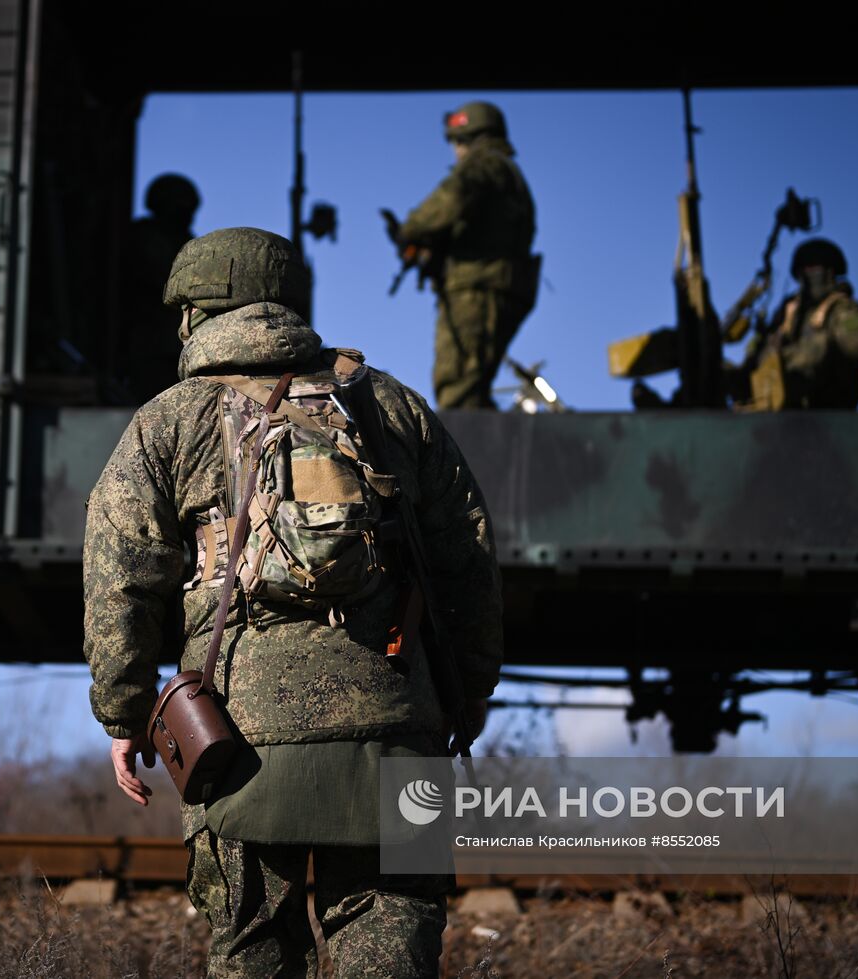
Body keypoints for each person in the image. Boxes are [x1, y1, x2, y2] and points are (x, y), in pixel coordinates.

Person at [82, 227, 503, 978]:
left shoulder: (169, 419)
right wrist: (466, 693)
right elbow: (467, 560)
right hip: (400, 718)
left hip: (236, 731)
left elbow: (122, 575)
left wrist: (124, 711)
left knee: (251, 944)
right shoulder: (389, 404)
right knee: (394, 930)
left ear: (193, 315)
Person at [397, 100, 539, 410]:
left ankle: (468, 456)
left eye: (457, 141)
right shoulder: (504, 172)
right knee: (473, 384)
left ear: (468, 138)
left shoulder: (483, 166)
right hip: (496, 283)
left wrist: (411, 229)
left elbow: (448, 201)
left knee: (457, 385)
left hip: (477, 287)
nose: (455, 151)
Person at [730, 238, 858, 410]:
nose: (807, 274)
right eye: (803, 270)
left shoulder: (842, 310)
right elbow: (754, 358)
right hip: (774, 417)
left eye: (813, 268)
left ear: (830, 272)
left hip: (826, 417)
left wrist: (801, 355)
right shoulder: (787, 315)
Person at [124, 173, 201, 402]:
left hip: (178, 343)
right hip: (150, 344)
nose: (188, 216)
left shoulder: (187, 242)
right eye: (181, 208)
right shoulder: (145, 238)